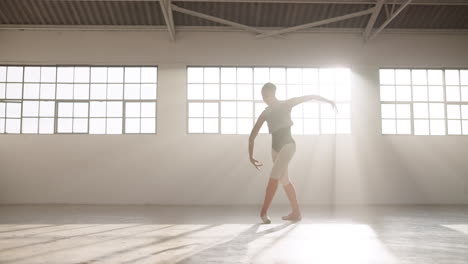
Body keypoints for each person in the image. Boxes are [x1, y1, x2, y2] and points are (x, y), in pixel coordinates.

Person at [248, 82, 337, 224]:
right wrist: (250, 156)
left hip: (288, 145)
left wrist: (328, 101)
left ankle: (263, 212)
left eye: (267, 95)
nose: (265, 98)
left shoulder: (286, 104)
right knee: (284, 180)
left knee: (274, 177)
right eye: (263, 97)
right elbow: (252, 135)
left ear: (273, 93)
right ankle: (296, 213)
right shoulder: (265, 112)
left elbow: (309, 96)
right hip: (274, 150)